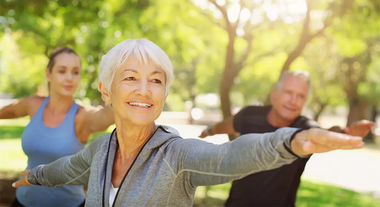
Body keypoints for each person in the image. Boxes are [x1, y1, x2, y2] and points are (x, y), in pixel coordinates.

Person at [12, 39, 365, 207]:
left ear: (164, 94)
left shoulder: (177, 155)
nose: (145, 90)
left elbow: (228, 157)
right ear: (106, 90)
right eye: (130, 78)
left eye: (156, 80)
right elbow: (65, 169)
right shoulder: (101, 149)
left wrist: (288, 142)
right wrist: (34, 176)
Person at [199, 71, 373, 207]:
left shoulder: (305, 128)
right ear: (275, 94)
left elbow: (323, 134)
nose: (293, 100)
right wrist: (209, 131)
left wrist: (345, 132)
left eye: (300, 96)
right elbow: (227, 125)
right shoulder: (250, 115)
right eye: (289, 92)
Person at [0, 47, 114, 207]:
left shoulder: (82, 117)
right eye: (62, 71)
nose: (70, 78)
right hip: (24, 201)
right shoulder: (33, 105)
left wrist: (120, 89)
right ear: (48, 74)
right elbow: (8, 111)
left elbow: (106, 116)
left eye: (75, 72)